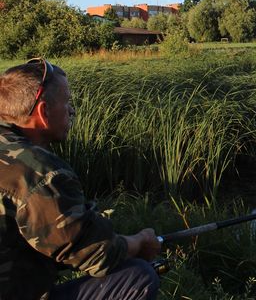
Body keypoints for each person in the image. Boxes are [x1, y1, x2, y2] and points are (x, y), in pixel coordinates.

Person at [0, 58, 162, 300]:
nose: (71, 110)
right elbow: (96, 253)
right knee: (138, 277)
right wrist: (139, 242)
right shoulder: (39, 171)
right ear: (43, 112)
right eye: (66, 102)